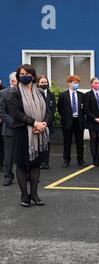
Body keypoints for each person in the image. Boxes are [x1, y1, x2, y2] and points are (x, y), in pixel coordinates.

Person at [7, 64, 50, 207]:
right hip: (22, 133)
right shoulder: (14, 93)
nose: (23, 75)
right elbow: (16, 113)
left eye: (26, 73)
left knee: (35, 164)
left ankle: (34, 194)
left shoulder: (39, 92)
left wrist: (43, 124)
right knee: (22, 165)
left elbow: (48, 111)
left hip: (39, 134)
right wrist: (34, 123)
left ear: (33, 75)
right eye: (21, 73)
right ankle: (24, 196)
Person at [57, 75, 86, 168]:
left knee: (80, 142)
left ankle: (80, 160)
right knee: (67, 142)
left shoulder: (81, 95)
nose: (76, 84)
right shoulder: (63, 95)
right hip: (68, 121)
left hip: (79, 120)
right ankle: (66, 160)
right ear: (69, 83)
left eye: (77, 83)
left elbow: (84, 108)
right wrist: (65, 117)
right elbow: (60, 108)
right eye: (74, 82)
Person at [84, 77, 99, 167]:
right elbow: (86, 109)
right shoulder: (87, 95)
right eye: (96, 83)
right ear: (91, 84)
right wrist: (95, 118)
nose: (98, 84)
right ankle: (94, 160)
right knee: (93, 139)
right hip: (92, 121)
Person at [0, 72, 18, 186]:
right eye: (17, 81)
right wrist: (13, 123)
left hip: (23, 128)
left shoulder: (24, 92)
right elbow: (2, 111)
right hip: (9, 129)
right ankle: (8, 176)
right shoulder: (3, 93)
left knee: (25, 153)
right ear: (11, 81)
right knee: (9, 155)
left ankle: (26, 175)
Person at [37, 75, 56, 170]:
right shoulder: (35, 94)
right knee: (38, 144)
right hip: (37, 124)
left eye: (45, 82)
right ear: (38, 83)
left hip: (47, 124)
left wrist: (46, 123)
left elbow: (52, 110)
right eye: (42, 82)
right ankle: (39, 162)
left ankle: (46, 162)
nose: (44, 84)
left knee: (46, 143)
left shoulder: (51, 95)